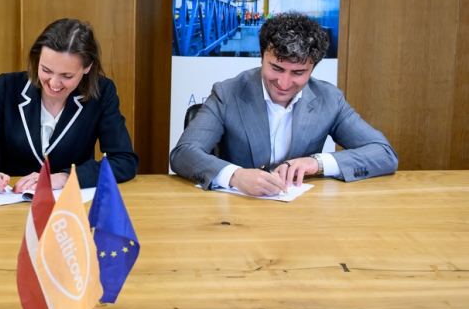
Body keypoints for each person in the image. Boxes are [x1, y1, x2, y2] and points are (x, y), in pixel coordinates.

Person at [170, 12, 397, 196]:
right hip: (235, 215)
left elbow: (384, 154)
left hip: (301, 216)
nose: (284, 82)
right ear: (261, 58)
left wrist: (316, 163)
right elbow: (183, 153)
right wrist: (235, 176)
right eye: (276, 68)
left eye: (298, 72)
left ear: (312, 69)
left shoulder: (329, 99)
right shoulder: (227, 93)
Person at [0, 19, 138, 193]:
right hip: (10, 205)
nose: (54, 83)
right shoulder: (7, 87)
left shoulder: (102, 92)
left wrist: (65, 178)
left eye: (67, 76)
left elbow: (124, 161)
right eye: (46, 70)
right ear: (37, 59)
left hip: (69, 210)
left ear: (87, 67)